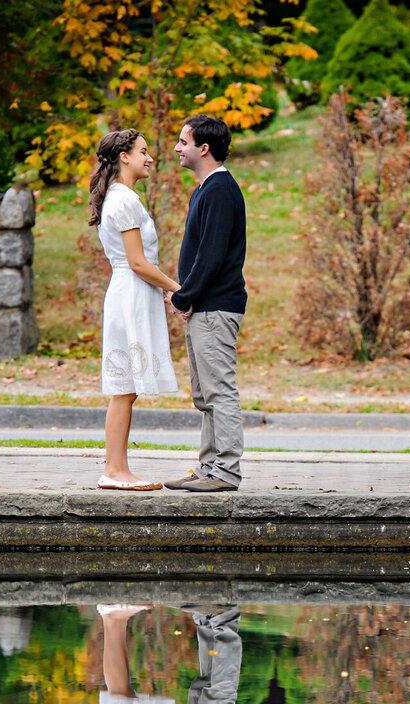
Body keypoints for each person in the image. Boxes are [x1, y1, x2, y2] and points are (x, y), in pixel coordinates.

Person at [89, 130, 182, 490]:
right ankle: (114, 470)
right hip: (131, 293)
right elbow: (138, 262)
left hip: (131, 292)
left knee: (125, 386)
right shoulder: (124, 201)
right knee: (124, 386)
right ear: (123, 157)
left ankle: (116, 468)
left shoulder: (122, 197)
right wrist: (177, 289)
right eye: (143, 152)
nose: (150, 158)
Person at [163, 116, 248, 493]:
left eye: (183, 142)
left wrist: (184, 296)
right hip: (205, 307)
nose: (177, 148)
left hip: (215, 308)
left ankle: (225, 472)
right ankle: (208, 467)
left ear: (204, 148)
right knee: (204, 394)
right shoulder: (205, 189)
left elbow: (211, 257)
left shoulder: (218, 190)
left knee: (218, 391)